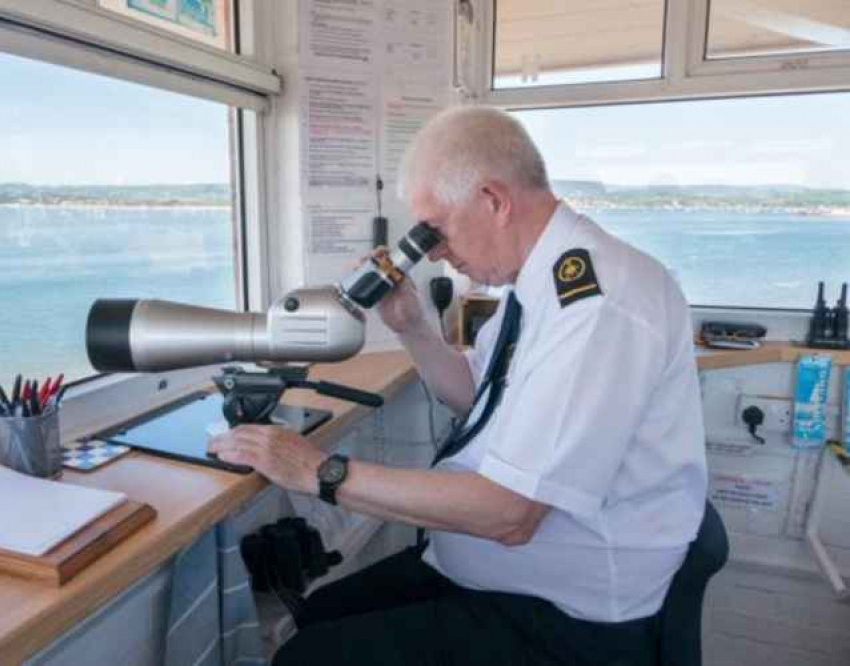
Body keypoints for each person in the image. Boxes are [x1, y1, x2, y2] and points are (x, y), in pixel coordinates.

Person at [209, 106, 708, 665]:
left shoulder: (596, 305)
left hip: (568, 613)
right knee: (316, 617)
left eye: (436, 230)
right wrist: (412, 326)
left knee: (310, 658)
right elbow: (478, 395)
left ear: (493, 201)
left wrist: (319, 472)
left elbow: (511, 516)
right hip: (490, 569)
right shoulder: (534, 281)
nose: (436, 251)